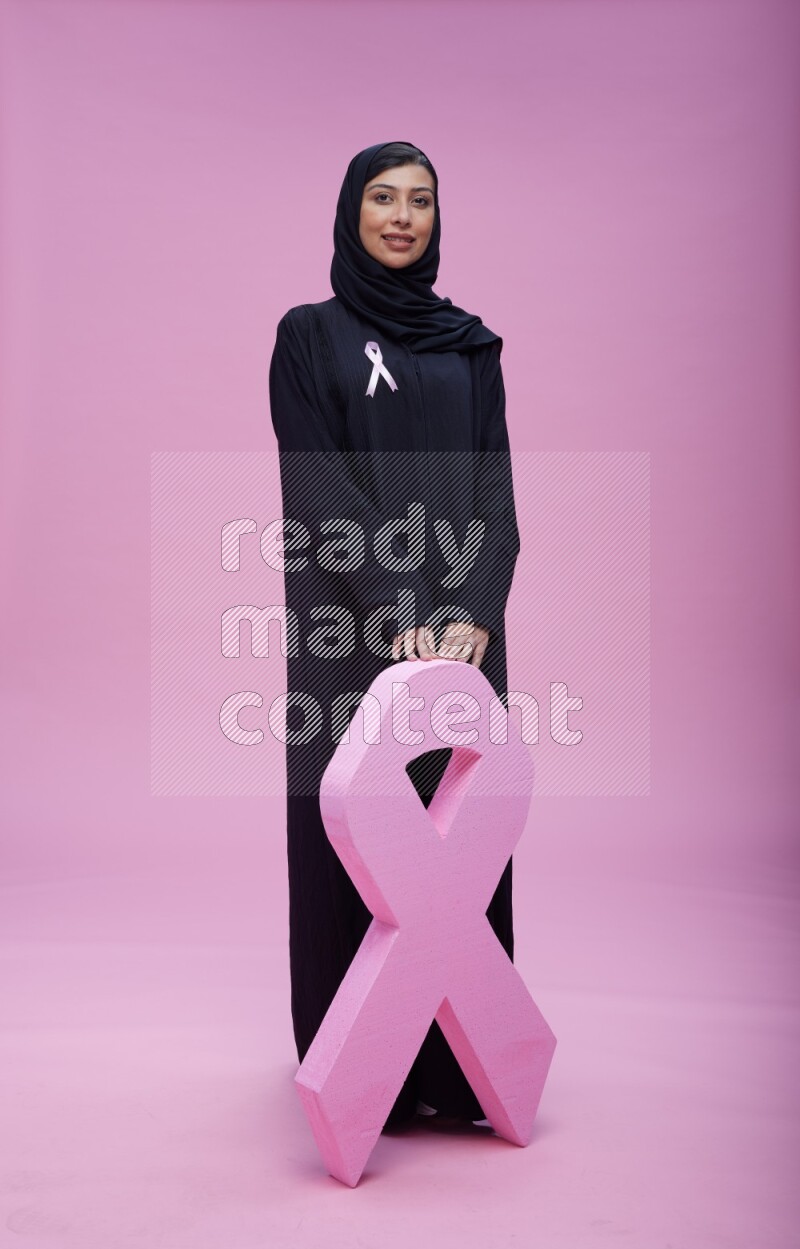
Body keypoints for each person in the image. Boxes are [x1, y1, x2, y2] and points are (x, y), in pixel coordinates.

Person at [268, 141, 521, 1130]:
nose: (402, 215)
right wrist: (405, 612)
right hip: (347, 631)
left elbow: (494, 496)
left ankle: (458, 1073)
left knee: (456, 844)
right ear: (351, 210)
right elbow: (319, 487)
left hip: (461, 639)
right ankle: (356, 1075)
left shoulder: (469, 345)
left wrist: (467, 616)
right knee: (354, 842)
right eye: (383, 197)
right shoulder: (309, 337)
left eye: (420, 200)